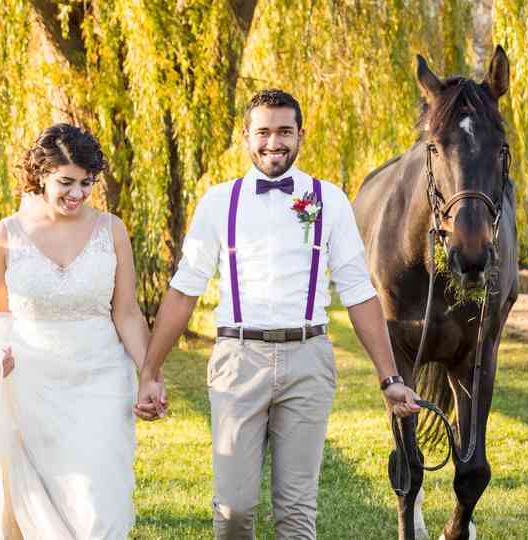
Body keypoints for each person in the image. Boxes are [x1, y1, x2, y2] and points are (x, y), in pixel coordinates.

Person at [135, 89, 421, 539]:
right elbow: (184, 288)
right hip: (237, 360)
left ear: (301, 135)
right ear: (246, 137)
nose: (274, 142)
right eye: (263, 132)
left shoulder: (329, 200)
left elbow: (357, 291)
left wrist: (390, 379)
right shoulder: (218, 202)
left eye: (285, 131)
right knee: (233, 509)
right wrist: (150, 371)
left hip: (308, 358)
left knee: (296, 512)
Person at [0, 123, 160, 539]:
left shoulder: (112, 230)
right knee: (32, 506)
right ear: (40, 175)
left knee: (97, 503)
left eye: (86, 183)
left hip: (100, 379)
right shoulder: (5, 235)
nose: (77, 194)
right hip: (30, 383)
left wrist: (149, 375)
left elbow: (126, 313)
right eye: (66, 182)